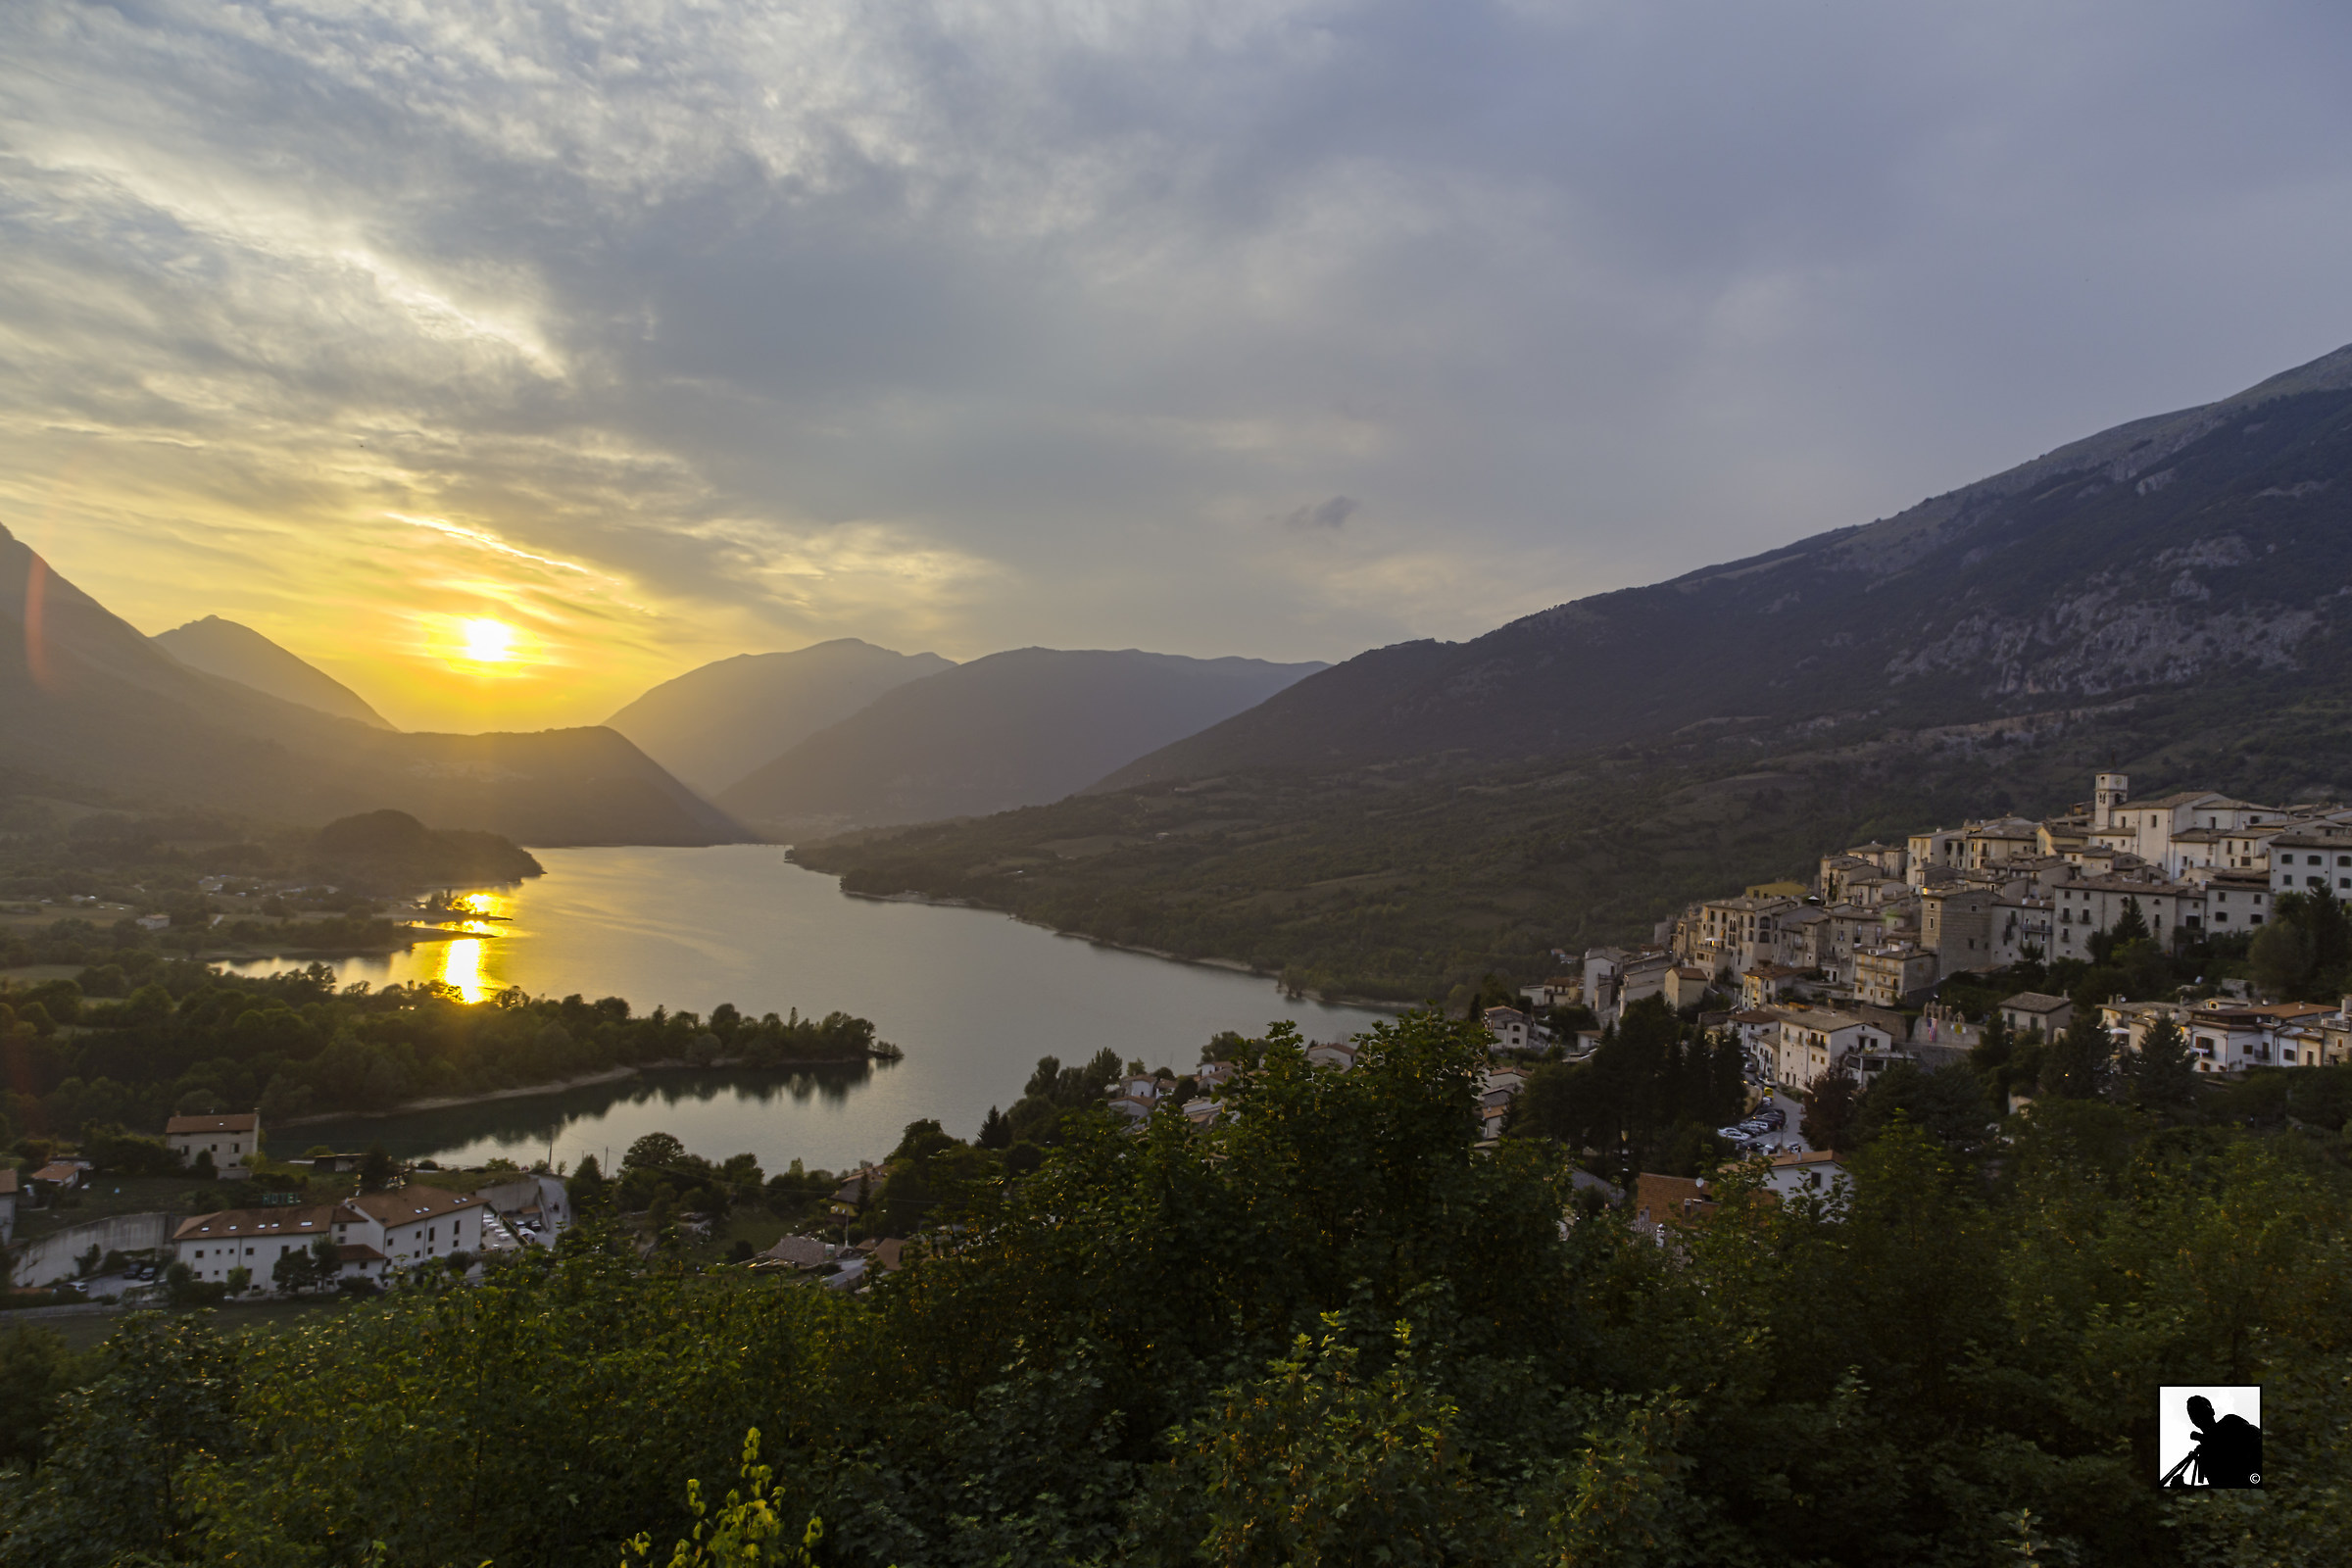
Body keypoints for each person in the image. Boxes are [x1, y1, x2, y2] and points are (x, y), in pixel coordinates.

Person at [2161, 1395, 2261, 1489]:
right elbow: (2219, 1486)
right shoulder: (2204, 1454)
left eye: (2200, 1407)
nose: (2196, 1412)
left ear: (2212, 1411)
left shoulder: (2230, 1421)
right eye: (2192, 1412)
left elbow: (2257, 1438)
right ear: (2192, 1421)